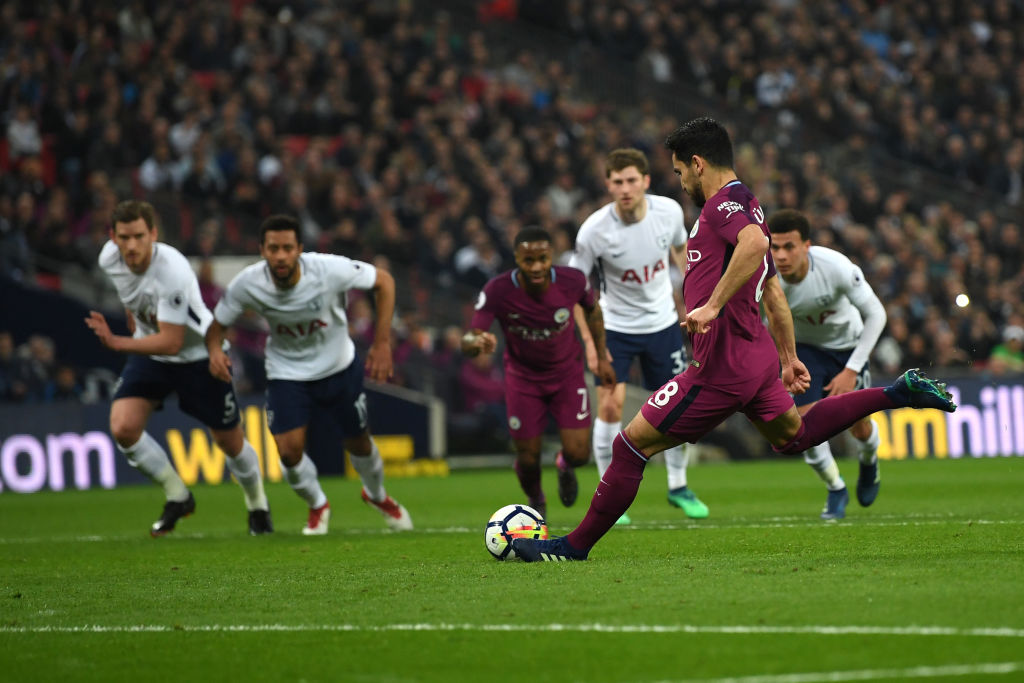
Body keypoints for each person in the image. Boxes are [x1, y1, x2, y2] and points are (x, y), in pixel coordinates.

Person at [513, 117, 957, 562]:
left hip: (720, 368)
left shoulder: (723, 207)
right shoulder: (750, 204)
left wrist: (711, 305)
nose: (681, 179)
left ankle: (573, 548)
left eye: (680, 170)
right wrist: (787, 355)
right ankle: (896, 393)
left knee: (630, 446)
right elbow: (773, 289)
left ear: (698, 164)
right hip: (757, 356)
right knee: (795, 435)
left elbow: (754, 248)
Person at [205, 214, 412, 535]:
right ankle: (318, 504)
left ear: (300, 248)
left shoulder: (328, 269)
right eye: (273, 248)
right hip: (287, 373)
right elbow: (216, 327)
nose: (280, 255)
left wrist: (382, 343)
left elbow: (384, 281)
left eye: (287, 247)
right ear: (262, 250)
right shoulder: (247, 284)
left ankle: (377, 496)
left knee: (358, 442)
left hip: (338, 367)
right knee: (288, 452)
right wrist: (215, 351)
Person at [85, 200, 272, 537]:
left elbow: (171, 341)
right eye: (124, 237)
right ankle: (178, 496)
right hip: (151, 355)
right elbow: (133, 297)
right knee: (124, 427)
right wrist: (132, 317)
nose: (131, 245)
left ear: (153, 234)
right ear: (113, 236)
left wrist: (117, 343)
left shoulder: (173, 270)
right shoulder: (108, 259)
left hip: (197, 356)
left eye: (139, 236)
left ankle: (257, 505)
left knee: (230, 442)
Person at [570, 148, 708, 524]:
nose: (625, 188)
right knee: (610, 406)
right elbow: (574, 291)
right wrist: (591, 345)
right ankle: (607, 491)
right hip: (615, 328)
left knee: (677, 407)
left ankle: (678, 485)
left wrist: (696, 305)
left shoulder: (668, 212)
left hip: (662, 324)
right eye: (617, 182)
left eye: (632, 180)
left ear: (646, 181)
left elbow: (683, 254)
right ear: (608, 185)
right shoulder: (593, 232)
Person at [462, 227, 617, 519]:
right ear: (517, 259)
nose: (536, 267)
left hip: (567, 376)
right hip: (523, 380)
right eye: (528, 260)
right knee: (528, 457)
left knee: (579, 453)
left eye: (542, 259)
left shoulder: (573, 281)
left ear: (551, 257)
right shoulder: (497, 289)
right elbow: (469, 339)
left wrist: (601, 356)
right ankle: (536, 499)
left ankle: (564, 465)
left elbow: (593, 311)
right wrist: (477, 342)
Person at [768, 209, 887, 519]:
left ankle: (869, 459)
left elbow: (877, 315)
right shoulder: (764, 277)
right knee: (804, 427)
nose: (781, 255)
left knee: (860, 428)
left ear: (806, 245)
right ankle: (835, 488)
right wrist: (783, 360)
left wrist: (851, 370)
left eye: (789, 247)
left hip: (848, 348)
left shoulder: (836, 267)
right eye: (775, 247)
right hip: (804, 351)